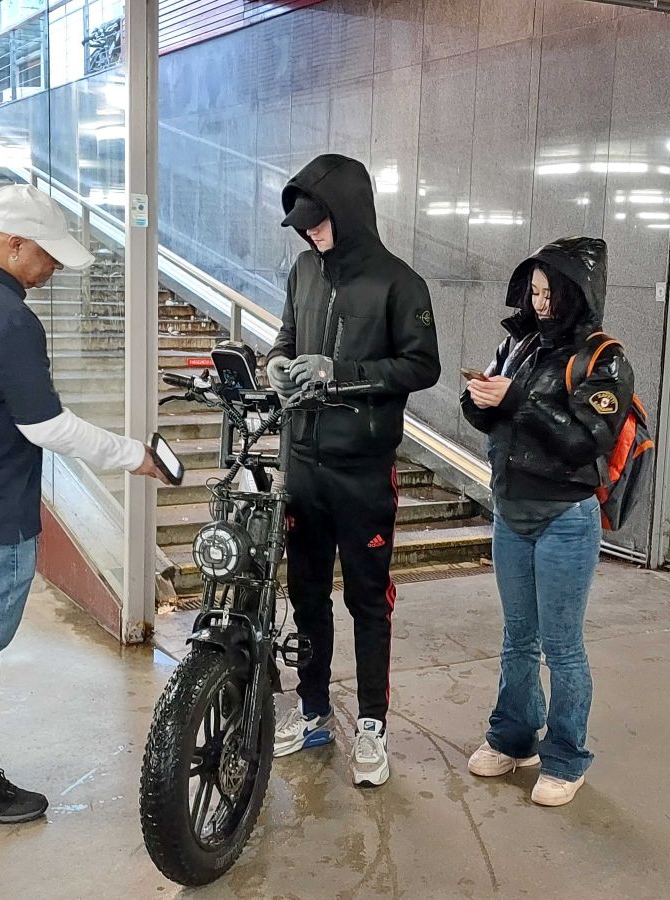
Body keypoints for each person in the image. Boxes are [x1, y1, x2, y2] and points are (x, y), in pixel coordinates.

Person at [0, 183, 167, 824]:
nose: (51, 273)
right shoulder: (7, 315)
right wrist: (135, 456)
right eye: (46, 258)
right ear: (14, 244)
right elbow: (46, 427)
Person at [266, 154, 440, 788]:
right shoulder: (303, 271)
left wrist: (345, 375)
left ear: (350, 214)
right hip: (302, 462)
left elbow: (422, 367)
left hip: (362, 469)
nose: (311, 236)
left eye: (318, 224)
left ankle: (372, 724)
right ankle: (313, 711)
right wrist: (277, 362)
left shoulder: (400, 283)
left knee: (368, 599)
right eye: (305, 228)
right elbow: (286, 334)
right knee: (306, 595)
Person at [460, 237, 633, 807]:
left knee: (561, 647)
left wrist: (516, 400)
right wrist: (480, 397)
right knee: (517, 640)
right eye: (532, 291)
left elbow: (584, 437)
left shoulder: (604, 359)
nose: (537, 303)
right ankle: (512, 739)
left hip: (565, 518)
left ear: (573, 294)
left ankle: (565, 758)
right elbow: (488, 417)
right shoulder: (519, 344)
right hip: (510, 511)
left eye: (547, 293)